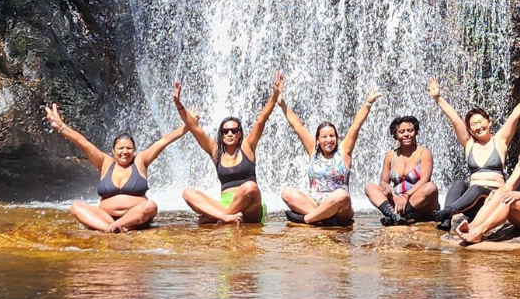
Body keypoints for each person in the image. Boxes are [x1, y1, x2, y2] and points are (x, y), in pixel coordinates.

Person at [44, 101, 186, 232]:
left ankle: (111, 228)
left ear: (134, 150)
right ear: (113, 151)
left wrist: (188, 125)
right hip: (106, 216)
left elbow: (164, 141)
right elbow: (84, 143)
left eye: (129, 148)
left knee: (151, 206)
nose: (125, 152)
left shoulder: (140, 161)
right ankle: (111, 228)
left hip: (136, 217)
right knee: (76, 207)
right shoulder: (105, 162)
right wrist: (61, 127)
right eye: (121, 148)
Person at [428, 74, 520, 231]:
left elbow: (515, 116)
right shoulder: (469, 144)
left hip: (492, 201)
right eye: (473, 124)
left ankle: (450, 211)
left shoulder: (500, 141)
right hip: (471, 204)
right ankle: (446, 219)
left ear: (489, 122)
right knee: (459, 184)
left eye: (480, 121)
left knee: (477, 188)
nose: (478, 126)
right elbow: (455, 119)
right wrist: (438, 98)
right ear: (470, 129)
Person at [176, 72, 281, 224]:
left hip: (251, 206)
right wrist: (178, 104)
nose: (230, 134)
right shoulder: (215, 150)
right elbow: (194, 128)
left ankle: (218, 218)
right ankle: (226, 217)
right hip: (224, 205)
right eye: (225, 131)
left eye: (234, 130)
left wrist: (275, 94)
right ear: (221, 134)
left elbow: (261, 121)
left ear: (240, 134)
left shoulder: (247, 147)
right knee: (188, 193)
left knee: (250, 187)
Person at [278, 87, 381, 226]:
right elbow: (298, 127)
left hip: (341, 208)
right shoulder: (313, 151)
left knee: (342, 195)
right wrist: (282, 104)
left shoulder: (343, 152)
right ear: (318, 140)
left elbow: (356, 125)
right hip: (314, 202)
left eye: (332, 136)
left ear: (337, 138)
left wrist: (368, 103)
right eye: (324, 136)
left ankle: (307, 219)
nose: (329, 140)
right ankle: (324, 217)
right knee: (287, 192)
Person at [364, 115, 439, 225]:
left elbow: (424, 180)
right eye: (402, 131)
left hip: (418, 202)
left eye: (410, 131)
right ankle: (395, 216)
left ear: (416, 132)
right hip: (397, 200)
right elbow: (383, 181)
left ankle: (397, 216)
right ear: (395, 134)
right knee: (370, 187)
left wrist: (406, 196)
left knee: (431, 187)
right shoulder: (391, 155)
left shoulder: (424, 153)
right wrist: (385, 187)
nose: (406, 134)